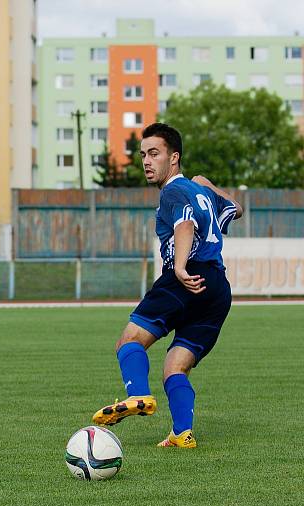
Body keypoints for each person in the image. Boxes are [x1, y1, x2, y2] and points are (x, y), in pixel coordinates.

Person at [91, 122, 242, 448]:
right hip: (218, 288)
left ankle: (138, 396)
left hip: (187, 277)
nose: (146, 160)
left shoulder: (174, 190)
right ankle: (182, 433)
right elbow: (236, 209)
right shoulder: (201, 191)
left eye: (154, 153)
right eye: (143, 154)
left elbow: (184, 223)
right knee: (176, 366)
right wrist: (211, 186)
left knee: (128, 340)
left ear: (174, 158)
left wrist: (181, 267)